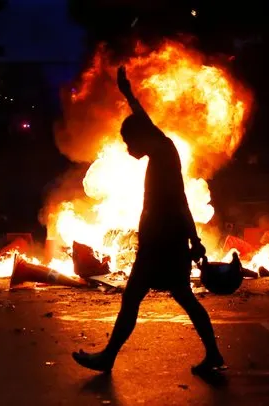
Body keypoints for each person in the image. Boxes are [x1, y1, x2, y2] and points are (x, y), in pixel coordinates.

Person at [72, 66, 224, 375]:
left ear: (141, 137)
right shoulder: (160, 148)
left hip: (162, 245)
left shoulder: (164, 156)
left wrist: (193, 239)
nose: (129, 150)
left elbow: (180, 200)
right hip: (165, 244)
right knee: (179, 298)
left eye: (129, 143)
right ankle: (213, 354)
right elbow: (144, 120)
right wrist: (127, 93)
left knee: (135, 299)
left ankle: (107, 358)